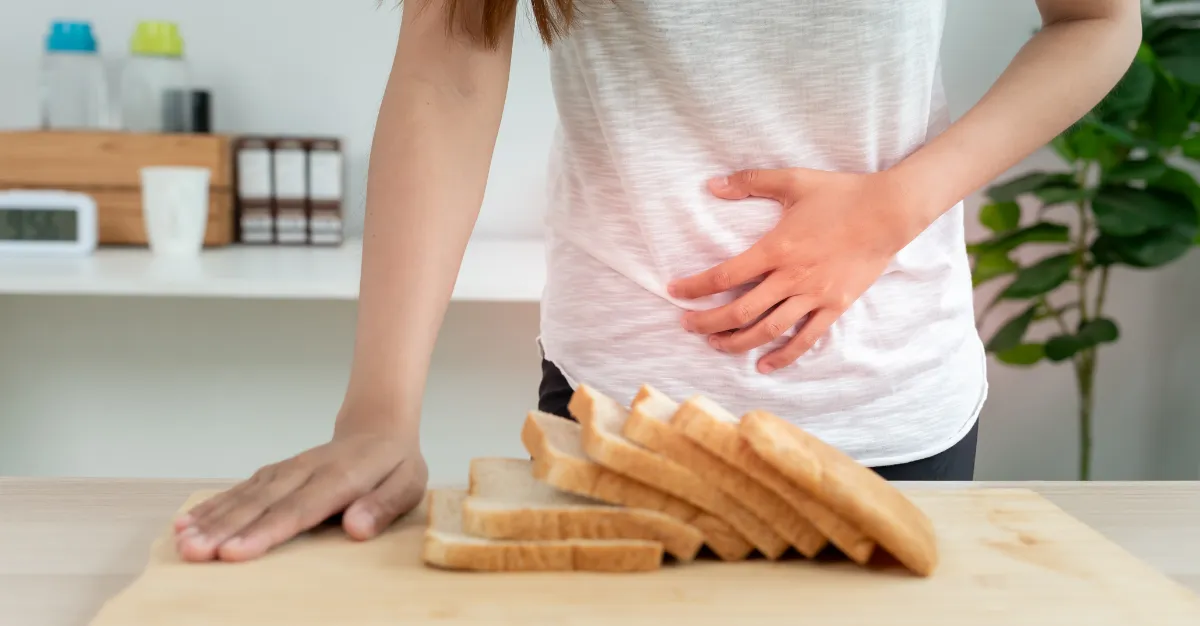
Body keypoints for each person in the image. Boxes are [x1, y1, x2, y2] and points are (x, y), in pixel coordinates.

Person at [173, 0, 1142, 562]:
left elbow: (1100, 20)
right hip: (615, 432)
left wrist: (893, 206)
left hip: (890, 417)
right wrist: (378, 410)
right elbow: (452, 50)